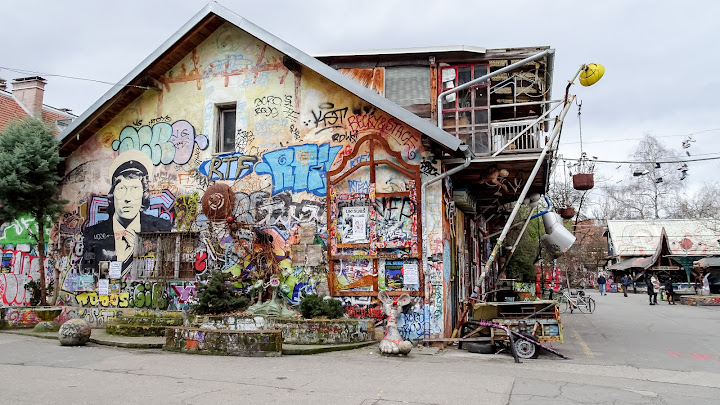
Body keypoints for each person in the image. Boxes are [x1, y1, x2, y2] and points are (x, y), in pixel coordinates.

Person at [83, 151, 171, 277]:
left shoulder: (162, 228)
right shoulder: (92, 233)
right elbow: (86, 272)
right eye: (121, 189)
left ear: (143, 194)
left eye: (135, 189)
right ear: (113, 194)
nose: (127, 198)